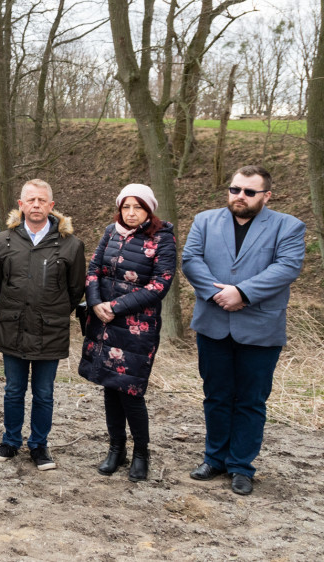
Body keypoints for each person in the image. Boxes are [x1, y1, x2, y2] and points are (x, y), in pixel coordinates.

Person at [181, 165, 305, 496]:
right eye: (235, 189)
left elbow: (287, 267)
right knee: (216, 396)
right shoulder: (205, 221)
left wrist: (243, 293)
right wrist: (219, 293)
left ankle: (241, 466)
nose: (240, 196)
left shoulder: (288, 226)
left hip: (260, 328)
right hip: (213, 324)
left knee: (251, 401)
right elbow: (191, 260)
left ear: (266, 195)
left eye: (249, 192)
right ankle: (214, 458)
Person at [78, 184, 176, 482]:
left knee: (131, 391)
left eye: (138, 207)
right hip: (103, 321)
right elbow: (93, 269)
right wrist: (95, 303)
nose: (131, 213)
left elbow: (160, 284)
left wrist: (116, 306)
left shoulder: (162, 238)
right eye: (126, 207)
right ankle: (116, 448)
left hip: (136, 327)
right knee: (110, 386)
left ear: (149, 209)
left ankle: (141, 453)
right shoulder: (110, 232)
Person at [0, 179, 86, 471]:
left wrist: (51, 311)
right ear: (21, 205)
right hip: (13, 326)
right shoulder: (2, 241)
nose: (36, 205)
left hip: (50, 331)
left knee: (44, 393)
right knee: (13, 390)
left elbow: (75, 289)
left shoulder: (71, 245)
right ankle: (10, 441)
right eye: (30, 200)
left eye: (42, 200)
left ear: (51, 206)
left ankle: (39, 446)